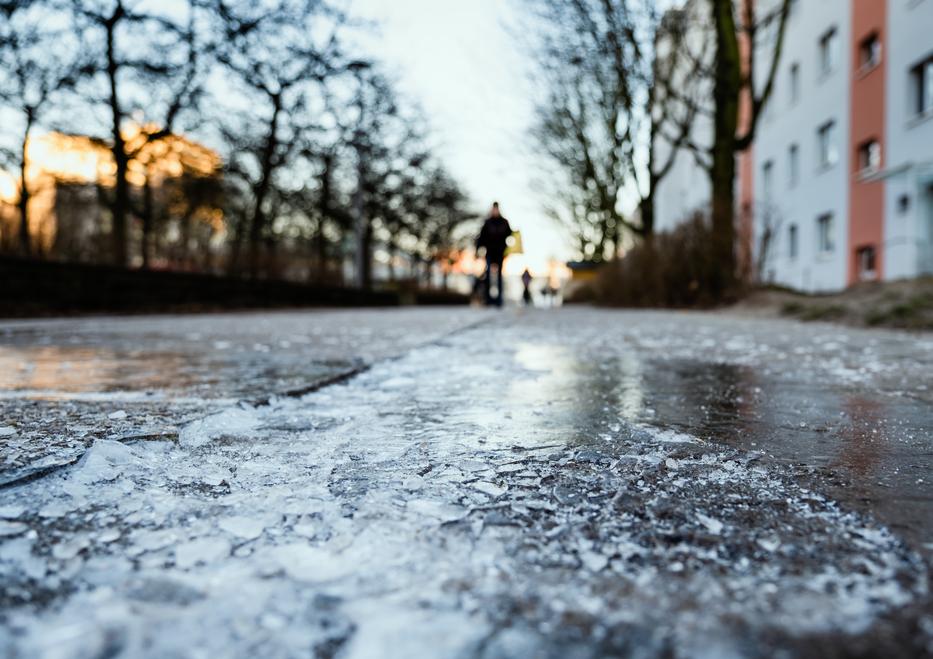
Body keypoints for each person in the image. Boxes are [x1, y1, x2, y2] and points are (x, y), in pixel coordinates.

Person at [475, 202, 512, 307]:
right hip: (490, 252)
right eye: (493, 209)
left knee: (499, 276)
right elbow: (481, 237)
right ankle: (488, 300)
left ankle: (499, 301)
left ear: (498, 209)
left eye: (496, 209)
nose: (495, 211)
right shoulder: (487, 222)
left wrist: (508, 248)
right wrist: (477, 250)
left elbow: (510, 235)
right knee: (488, 276)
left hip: (500, 253)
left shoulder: (504, 222)